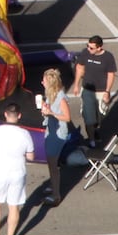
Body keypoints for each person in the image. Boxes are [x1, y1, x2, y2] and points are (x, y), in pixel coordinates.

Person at [0, 103, 36, 235]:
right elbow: (31, 156)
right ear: (19, 116)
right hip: (17, 172)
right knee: (14, 206)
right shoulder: (25, 133)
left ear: (5, 114)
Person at [37, 67, 74, 207]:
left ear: (51, 83)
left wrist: (51, 113)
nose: (42, 82)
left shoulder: (60, 98)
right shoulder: (50, 94)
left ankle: (56, 195)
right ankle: (53, 186)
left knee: (53, 164)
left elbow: (67, 117)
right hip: (51, 131)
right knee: (51, 161)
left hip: (58, 135)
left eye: (44, 80)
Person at [71, 35, 117, 147]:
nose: (88, 49)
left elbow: (111, 75)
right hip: (87, 89)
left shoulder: (108, 57)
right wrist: (76, 84)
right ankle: (91, 139)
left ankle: (95, 128)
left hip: (101, 91)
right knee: (88, 116)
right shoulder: (85, 53)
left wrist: (107, 91)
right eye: (88, 46)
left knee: (100, 115)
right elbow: (79, 68)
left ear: (99, 48)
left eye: (91, 48)